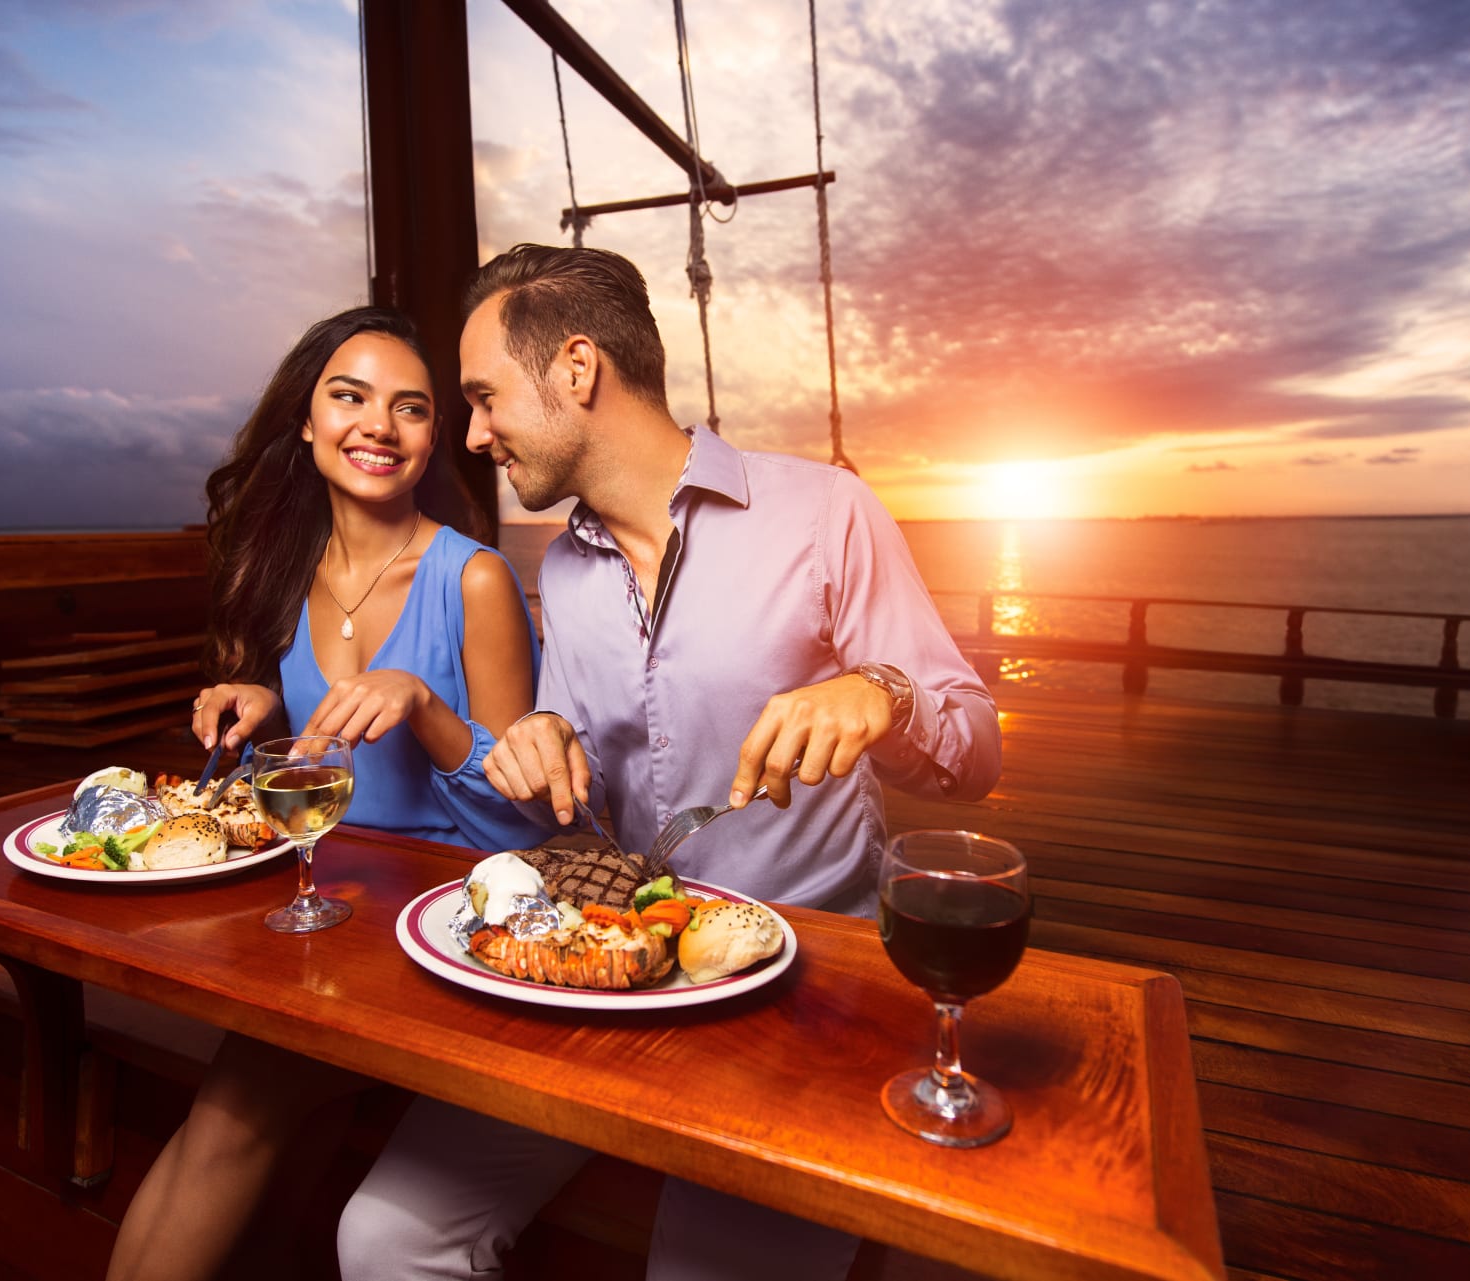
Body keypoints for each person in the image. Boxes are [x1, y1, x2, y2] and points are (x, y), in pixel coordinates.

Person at [334, 246, 1001, 1280]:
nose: (471, 435)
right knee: (383, 1235)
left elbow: (975, 754)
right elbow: (570, 764)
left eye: (483, 397)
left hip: (802, 998)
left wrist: (884, 693)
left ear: (576, 368)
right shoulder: (562, 564)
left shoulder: (827, 513)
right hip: (611, 971)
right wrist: (540, 742)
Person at [107, 306, 547, 1281]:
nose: (378, 427)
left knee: (229, 1120)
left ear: (436, 438)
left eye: (411, 407)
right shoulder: (276, 575)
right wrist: (255, 707)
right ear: (306, 422)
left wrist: (426, 708)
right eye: (349, 398)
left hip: (445, 928)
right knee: (248, 1145)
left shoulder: (473, 580)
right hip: (322, 918)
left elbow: (526, 827)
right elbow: (282, 779)